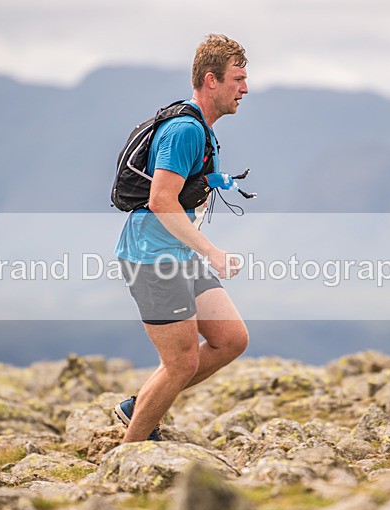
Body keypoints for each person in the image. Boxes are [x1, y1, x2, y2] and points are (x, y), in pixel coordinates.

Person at [113, 34, 250, 442]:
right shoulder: (185, 130)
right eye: (237, 79)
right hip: (152, 257)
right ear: (212, 80)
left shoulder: (203, 128)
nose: (245, 89)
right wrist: (212, 251)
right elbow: (160, 200)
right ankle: (130, 455)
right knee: (181, 363)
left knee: (230, 340)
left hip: (180, 254)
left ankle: (140, 405)